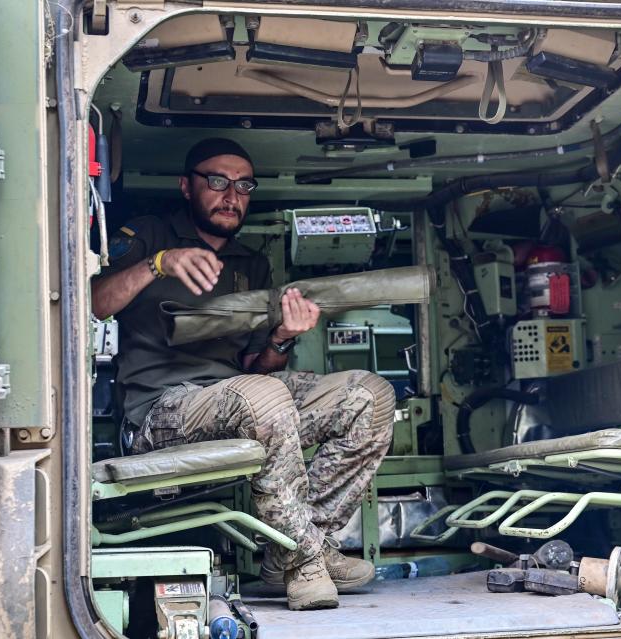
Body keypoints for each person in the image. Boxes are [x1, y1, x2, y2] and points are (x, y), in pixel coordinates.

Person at [91, 138, 395, 611]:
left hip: (243, 396)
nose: (231, 196)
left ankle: (288, 548)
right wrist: (159, 263)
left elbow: (259, 367)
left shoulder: (252, 263)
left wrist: (282, 338)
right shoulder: (148, 235)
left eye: (243, 186)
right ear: (186, 186)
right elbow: (93, 302)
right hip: (159, 411)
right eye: (217, 182)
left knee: (369, 395)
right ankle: (307, 560)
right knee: (263, 396)